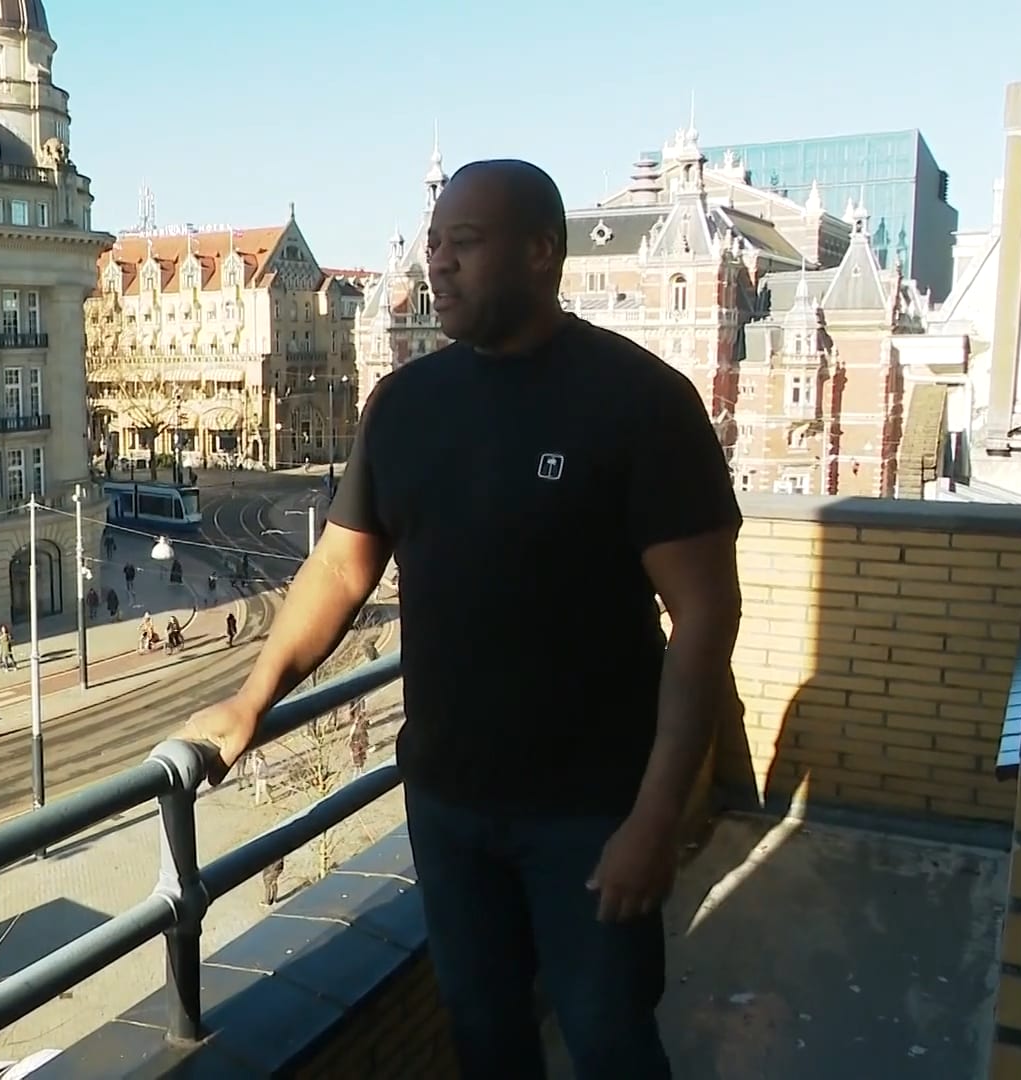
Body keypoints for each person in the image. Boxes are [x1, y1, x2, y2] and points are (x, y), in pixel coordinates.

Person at [180, 160, 742, 1080]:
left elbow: (708, 617)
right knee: (483, 1034)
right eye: (435, 241)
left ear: (541, 252)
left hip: (592, 815)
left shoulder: (639, 403)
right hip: (448, 805)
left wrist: (653, 815)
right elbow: (337, 568)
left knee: (610, 1041)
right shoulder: (405, 405)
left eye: (465, 243)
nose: (438, 261)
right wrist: (250, 701)